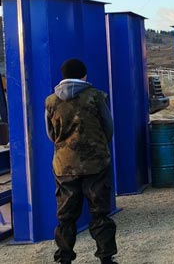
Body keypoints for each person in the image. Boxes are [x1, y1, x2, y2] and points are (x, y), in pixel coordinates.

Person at [45, 58, 118, 264]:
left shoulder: (51, 101)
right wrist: (99, 145)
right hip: (96, 164)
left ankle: (65, 258)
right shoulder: (96, 96)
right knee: (100, 212)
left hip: (64, 165)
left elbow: (51, 133)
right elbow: (108, 126)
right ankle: (105, 258)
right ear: (84, 75)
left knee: (66, 216)